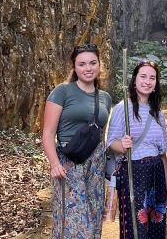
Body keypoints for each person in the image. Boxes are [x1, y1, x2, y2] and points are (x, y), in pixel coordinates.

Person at [42, 43, 112, 239]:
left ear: (100, 65)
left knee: (94, 215)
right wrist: (54, 164)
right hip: (68, 164)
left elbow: (101, 135)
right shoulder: (62, 92)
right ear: (74, 66)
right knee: (72, 220)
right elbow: (47, 133)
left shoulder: (105, 97)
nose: (88, 68)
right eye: (82, 64)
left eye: (92, 63)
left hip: (95, 166)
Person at [106, 60, 167, 238]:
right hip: (133, 171)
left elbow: (162, 151)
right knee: (135, 226)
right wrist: (122, 145)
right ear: (134, 80)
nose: (147, 81)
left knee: (156, 224)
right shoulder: (123, 108)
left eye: (152, 78)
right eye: (143, 76)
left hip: (156, 171)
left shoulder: (156, 111)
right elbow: (111, 142)